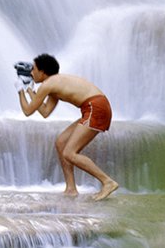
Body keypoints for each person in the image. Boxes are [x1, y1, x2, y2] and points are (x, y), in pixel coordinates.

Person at [17, 53, 118, 200]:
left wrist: (20, 90)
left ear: (42, 71)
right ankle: (71, 188)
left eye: (33, 69)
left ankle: (107, 182)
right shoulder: (54, 83)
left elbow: (27, 111)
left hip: (95, 108)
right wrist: (29, 90)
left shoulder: (48, 84)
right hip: (94, 107)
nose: (31, 73)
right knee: (61, 143)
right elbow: (45, 111)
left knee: (69, 153)